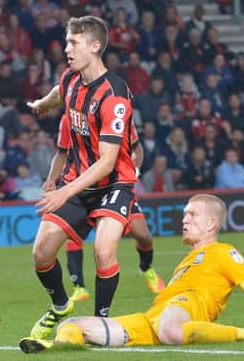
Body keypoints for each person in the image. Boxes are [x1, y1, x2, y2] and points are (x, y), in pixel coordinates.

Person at [20, 193, 244, 353]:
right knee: (73, 325)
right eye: (185, 214)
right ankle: (59, 348)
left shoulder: (224, 251)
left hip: (182, 311)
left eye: (192, 216)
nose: (184, 220)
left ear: (212, 224)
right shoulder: (186, 261)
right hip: (150, 321)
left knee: (170, 329)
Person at [25, 15, 137, 340]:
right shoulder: (72, 78)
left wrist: (63, 192)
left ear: (95, 46)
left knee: (103, 250)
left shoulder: (114, 94)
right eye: (67, 42)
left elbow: (107, 161)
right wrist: (43, 104)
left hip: (113, 183)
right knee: (41, 253)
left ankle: (101, 322)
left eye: (73, 43)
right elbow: (59, 92)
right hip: (78, 181)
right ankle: (61, 306)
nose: (66, 48)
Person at [44, 115, 165, 303]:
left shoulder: (118, 113)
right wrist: (52, 178)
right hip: (81, 186)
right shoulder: (69, 118)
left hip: (115, 186)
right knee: (72, 236)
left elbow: (137, 149)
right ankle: (79, 287)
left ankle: (146, 268)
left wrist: (134, 171)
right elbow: (61, 152)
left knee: (143, 235)